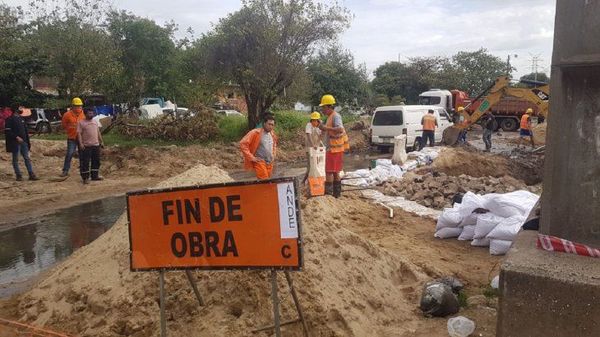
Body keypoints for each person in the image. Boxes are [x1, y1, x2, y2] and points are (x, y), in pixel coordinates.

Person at [318, 94, 349, 198]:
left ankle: (329, 194)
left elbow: (340, 129)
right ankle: (337, 194)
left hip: (333, 149)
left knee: (329, 172)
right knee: (335, 172)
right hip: (336, 149)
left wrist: (325, 128)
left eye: (323, 107)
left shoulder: (335, 116)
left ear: (328, 106)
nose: (322, 109)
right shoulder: (331, 117)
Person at [4, 106, 39, 181]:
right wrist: (16, 137)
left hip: (24, 142)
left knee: (27, 158)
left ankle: (31, 174)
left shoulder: (21, 119)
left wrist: (27, 141)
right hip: (15, 143)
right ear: (16, 110)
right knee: (15, 159)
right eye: (21, 108)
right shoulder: (9, 119)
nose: (22, 109)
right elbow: (8, 131)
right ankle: (18, 175)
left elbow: (25, 131)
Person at [240, 113, 277, 180]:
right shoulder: (255, 132)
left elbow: (274, 145)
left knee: (268, 182)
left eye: (272, 125)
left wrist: (273, 155)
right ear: (264, 123)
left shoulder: (272, 134)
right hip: (260, 161)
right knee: (264, 181)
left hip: (270, 162)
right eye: (269, 124)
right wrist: (252, 157)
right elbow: (243, 144)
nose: (271, 126)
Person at [77, 107, 104, 184]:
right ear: (85, 114)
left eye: (92, 113)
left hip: (96, 145)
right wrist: (81, 143)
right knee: (85, 162)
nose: (91, 114)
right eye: (89, 113)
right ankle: (85, 178)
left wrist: (101, 141)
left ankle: (95, 176)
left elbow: (98, 132)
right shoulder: (81, 123)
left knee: (96, 161)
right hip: (86, 145)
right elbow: (79, 134)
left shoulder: (95, 121)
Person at [60, 97, 85, 177]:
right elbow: (64, 125)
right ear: (73, 106)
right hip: (72, 138)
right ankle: (65, 170)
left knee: (82, 154)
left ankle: (83, 170)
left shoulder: (84, 114)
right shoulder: (67, 115)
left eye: (80, 106)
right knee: (69, 153)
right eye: (77, 106)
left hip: (82, 138)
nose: (78, 108)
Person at [303, 112, 323, 183]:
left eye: (316, 120)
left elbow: (321, 136)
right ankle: (304, 181)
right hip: (309, 148)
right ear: (311, 120)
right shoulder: (309, 125)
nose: (314, 122)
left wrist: (317, 145)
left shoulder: (320, 126)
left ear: (318, 121)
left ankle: (316, 180)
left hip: (317, 148)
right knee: (310, 166)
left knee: (318, 165)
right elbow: (308, 135)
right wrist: (312, 145)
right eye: (313, 120)